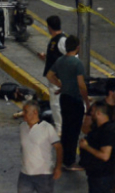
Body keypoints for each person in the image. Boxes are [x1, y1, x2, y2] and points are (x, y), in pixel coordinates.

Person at [45, 35, 89, 171]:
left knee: (66, 130)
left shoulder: (60, 61)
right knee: (74, 132)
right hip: (75, 100)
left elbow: (49, 75)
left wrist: (61, 85)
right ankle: (70, 161)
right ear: (77, 47)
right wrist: (87, 100)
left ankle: (63, 159)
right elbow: (81, 85)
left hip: (64, 99)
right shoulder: (77, 63)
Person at [18, 100, 62, 193]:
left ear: (35, 112)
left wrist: (58, 168)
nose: (23, 114)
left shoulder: (47, 128)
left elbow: (59, 148)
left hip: (44, 175)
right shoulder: (22, 126)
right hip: (25, 174)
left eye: (26, 111)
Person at [79, 103, 115, 193]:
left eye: (92, 112)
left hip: (102, 177)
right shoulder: (99, 129)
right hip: (97, 175)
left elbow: (105, 155)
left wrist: (86, 147)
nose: (91, 114)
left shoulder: (107, 132)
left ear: (98, 113)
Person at [41, 16, 67, 135]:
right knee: (55, 105)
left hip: (58, 80)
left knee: (57, 105)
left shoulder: (61, 40)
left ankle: (60, 129)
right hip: (54, 79)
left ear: (49, 27)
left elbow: (70, 56)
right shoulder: (55, 40)